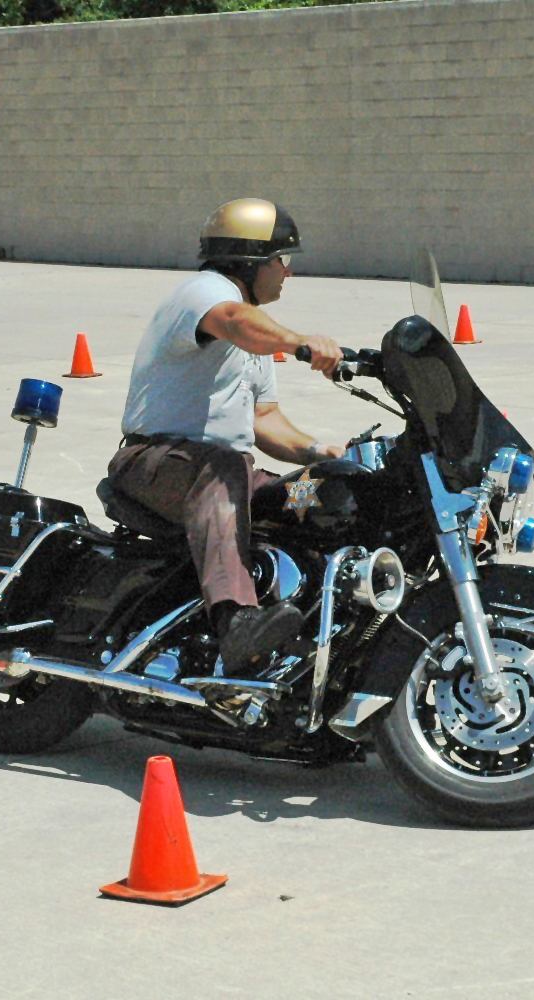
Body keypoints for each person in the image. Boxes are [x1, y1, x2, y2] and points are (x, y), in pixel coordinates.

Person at [106, 198, 345, 676]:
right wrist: (300, 341)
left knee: (310, 496)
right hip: (155, 462)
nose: (288, 272)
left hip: (224, 471)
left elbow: (265, 420)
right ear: (252, 260)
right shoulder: (206, 293)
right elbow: (234, 321)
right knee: (226, 467)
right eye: (282, 259)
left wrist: (323, 455)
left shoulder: (254, 337)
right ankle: (236, 619)